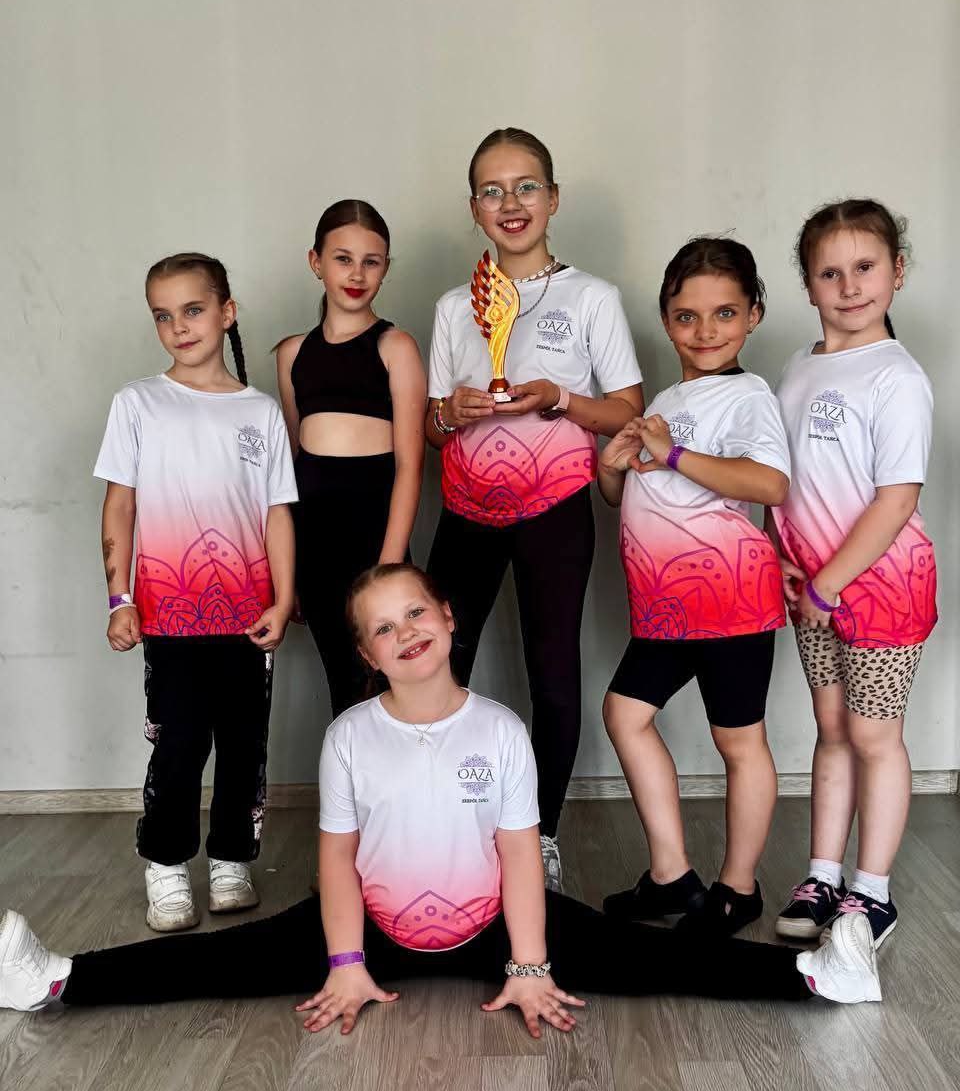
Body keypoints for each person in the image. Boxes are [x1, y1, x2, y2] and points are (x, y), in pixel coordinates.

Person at [2, 565, 883, 1027]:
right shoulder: (351, 736)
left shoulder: (498, 731)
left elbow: (518, 855)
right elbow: (337, 861)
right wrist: (345, 961)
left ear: (449, 618)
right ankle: (56, 980)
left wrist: (530, 965)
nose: (406, 633)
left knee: (648, 958)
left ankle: (817, 976)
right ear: (367, 655)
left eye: (417, 613)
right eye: (384, 628)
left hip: (496, 921)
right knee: (222, 963)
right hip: (371, 925)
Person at [425, 128, 645, 891]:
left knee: (550, 673)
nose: (510, 202)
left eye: (525, 187)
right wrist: (447, 413)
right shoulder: (454, 308)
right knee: (438, 662)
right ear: (474, 209)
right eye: (492, 190)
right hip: (466, 512)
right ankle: (443, 826)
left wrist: (561, 399)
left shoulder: (592, 298)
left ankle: (542, 832)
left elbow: (627, 412)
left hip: (555, 512)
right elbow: (430, 426)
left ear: (552, 200)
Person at [95, 253, 297, 932]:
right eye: (163, 315)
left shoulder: (259, 411)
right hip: (168, 616)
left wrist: (283, 599)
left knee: (244, 744)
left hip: (247, 618)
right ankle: (166, 864)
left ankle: (233, 860)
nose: (179, 326)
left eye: (193, 310)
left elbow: (276, 512)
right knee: (179, 743)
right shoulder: (138, 403)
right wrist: (120, 599)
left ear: (226, 313)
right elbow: (120, 506)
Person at [599, 239, 791, 937]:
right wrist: (613, 466)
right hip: (666, 608)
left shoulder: (748, 396)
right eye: (687, 316)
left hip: (730, 600)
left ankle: (738, 888)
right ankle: (671, 876)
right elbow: (630, 495)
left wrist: (673, 451)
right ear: (666, 319)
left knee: (737, 741)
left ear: (753, 316)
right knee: (625, 714)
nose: (705, 331)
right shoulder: (667, 399)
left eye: (724, 313)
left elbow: (769, 483)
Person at [768, 200, 937, 948]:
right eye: (829, 272)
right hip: (812, 588)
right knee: (832, 730)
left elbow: (896, 498)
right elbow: (783, 476)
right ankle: (823, 876)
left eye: (865, 267)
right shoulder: (798, 366)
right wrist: (779, 554)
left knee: (873, 735)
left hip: (882, 587)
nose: (849, 286)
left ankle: (873, 894)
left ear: (896, 271)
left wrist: (828, 583)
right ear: (807, 283)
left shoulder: (896, 376)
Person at [275, 200, 426, 717]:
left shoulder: (395, 346)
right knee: (342, 683)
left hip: (374, 538)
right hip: (315, 543)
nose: (357, 274)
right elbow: (291, 468)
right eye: (343, 259)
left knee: (385, 681)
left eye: (371, 262)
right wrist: (288, 570)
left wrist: (389, 565)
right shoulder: (292, 354)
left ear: (385, 267)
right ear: (315, 262)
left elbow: (410, 466)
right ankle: (347, 774)